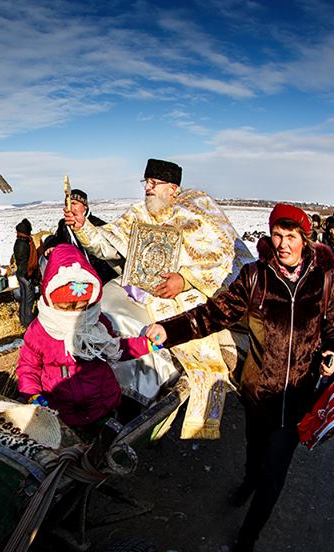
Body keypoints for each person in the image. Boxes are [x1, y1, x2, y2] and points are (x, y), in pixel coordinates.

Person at [145, 203, 334, 552]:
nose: (283, 244)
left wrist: (333, 352)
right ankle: (248, 482)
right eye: (277, 236)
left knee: (275, 474)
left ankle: (247, 537)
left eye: (291, 237)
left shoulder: (323, 280)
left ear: (305, 239)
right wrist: (169, 329)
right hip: (258, 393)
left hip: (298, 397)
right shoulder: (255, 277)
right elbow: (212, 314)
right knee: (255, 453)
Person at [63, 158, 252, 437]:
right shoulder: (140, 213)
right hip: (138, 291)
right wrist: (83, 227)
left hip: (186, 298)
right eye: (146, 183)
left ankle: (134, 402)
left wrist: (185, 279)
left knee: (155, 340)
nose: (147, 189)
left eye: (153, 183)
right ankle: (86, 384)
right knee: (101, 312)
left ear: (173, 188)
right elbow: (108, 243)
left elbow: (222, 260)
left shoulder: (198, 212)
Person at [16, 244, 156, 431]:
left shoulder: (96, 321)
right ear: (50, 299)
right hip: (60, 408)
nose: (74, 314)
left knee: (104, 441)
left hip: (102, 402)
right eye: (65, 308)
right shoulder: (41, 330)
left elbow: (114, 348)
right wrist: (32, 394)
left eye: (82, 307)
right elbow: (28, 367)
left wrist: (145, 344)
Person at [54, 188, 119, 284]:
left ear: (85, 206)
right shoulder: (63, 225)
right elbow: (58, 240)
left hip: (99, 273)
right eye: (67, 203)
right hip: (74, 272)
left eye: (74, 203)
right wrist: (50, 245)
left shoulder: (97, 224)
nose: (70, 206)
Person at [14, 218, 39, 328]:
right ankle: (28, 324)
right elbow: (25, 262)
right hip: (25, 275)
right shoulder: (24, 243)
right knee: (28, 300)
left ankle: (23, 321)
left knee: (24, 299)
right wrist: (29, 275)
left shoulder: (20, 241)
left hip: (21, 274)